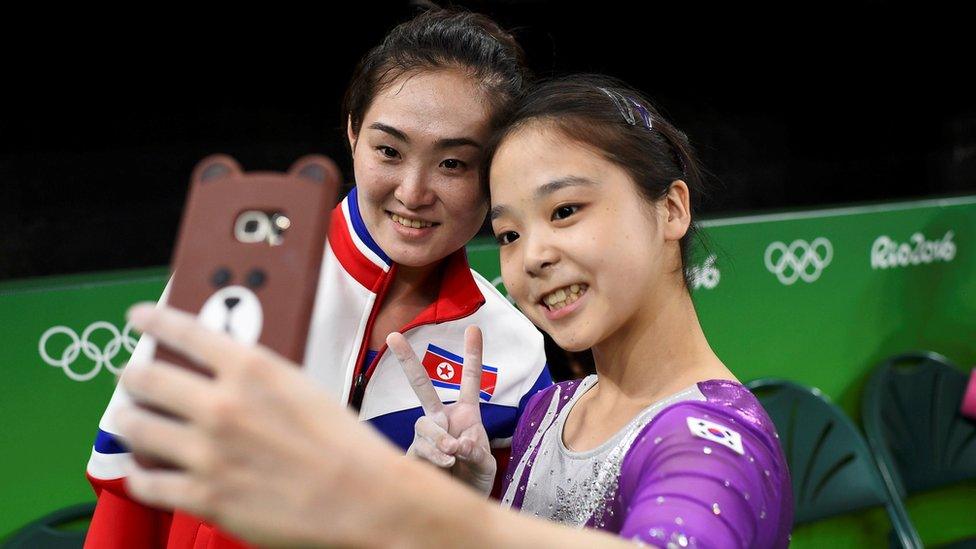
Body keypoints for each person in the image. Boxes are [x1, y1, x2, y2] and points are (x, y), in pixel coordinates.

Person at [113, 74, 792, 548]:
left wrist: (413, 507)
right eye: (509, 232)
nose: (534, 256)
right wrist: (468, 491)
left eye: (566, 210)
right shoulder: (550, 412)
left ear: (671, 208)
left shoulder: (713, 440)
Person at [84, 9, 551, 548]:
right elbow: (131, 499)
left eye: (453, 164)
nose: (413, 191)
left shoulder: (513, 355)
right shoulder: (239, 277)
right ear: (353, 133)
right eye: (389, 151)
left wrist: (450, 509)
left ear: (498, 170)